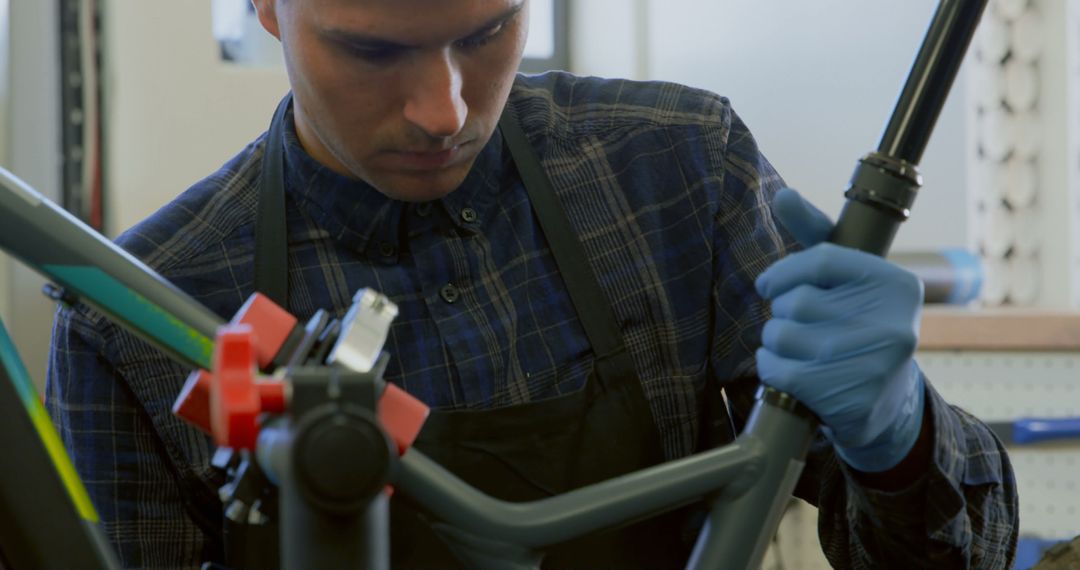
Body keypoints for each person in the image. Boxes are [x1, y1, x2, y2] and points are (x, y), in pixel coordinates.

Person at [46, 0, 1018, 567]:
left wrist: (898, 440)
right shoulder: (140, 310)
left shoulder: (678, 173)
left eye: (490, 28)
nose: (445, 109)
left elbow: (960, 558)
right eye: (374, 49)